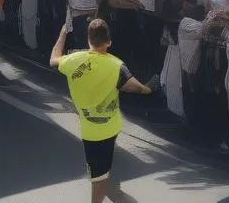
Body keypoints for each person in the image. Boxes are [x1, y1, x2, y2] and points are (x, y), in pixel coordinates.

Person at [50, 17, 155, 203]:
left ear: (88, 40)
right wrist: (150, 88)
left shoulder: (73, 60)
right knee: (101, 177)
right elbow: (137, 87)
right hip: (111, 127)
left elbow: (54, 60)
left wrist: (63, 33)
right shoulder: (117, 65)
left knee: (98, 179)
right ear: (109, 41)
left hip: (91, 132)